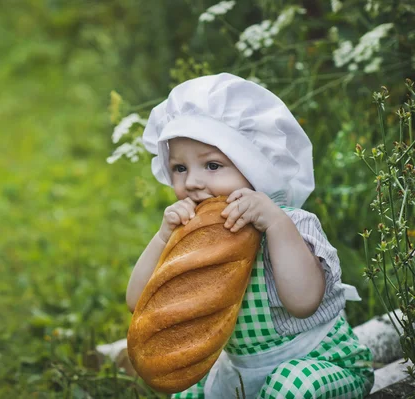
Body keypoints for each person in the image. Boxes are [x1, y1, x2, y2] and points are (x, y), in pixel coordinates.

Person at [125, 73, 374, 399]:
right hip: (240, 374)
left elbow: (303, 303)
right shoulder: (194, 234)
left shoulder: (291, 224)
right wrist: (162, 238)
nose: (193, 182)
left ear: (254, 165)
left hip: (316, 363)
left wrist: (275, 223)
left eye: (212, 166)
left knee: (290, 385)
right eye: (180, 168)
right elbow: (137, 302)